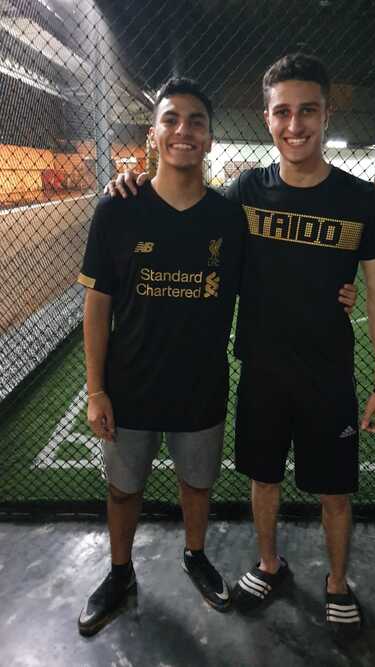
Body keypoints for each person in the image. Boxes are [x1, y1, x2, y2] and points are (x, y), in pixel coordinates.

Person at [107, 53, 375, 644]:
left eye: (307, 111)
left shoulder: (362, 200)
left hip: (328, 374)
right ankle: (268, 565)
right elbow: (188, 210)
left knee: (335, 492)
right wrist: (128, 181)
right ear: (266, 118)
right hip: (261, 370)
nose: (295, 125)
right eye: (283, 112)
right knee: (263, 479)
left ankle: (338, 584)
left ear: (326, 113)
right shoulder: (244, 192)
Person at [76, 77, 248, 636]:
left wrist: (337, 292)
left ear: (210, 138)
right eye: (171, 119)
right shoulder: (117, 209)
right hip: (130, 385)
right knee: (123, 487)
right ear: (153, 134)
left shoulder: (228, 219)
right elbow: (97, 305)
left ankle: (195, 556)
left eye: (196, 121)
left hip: (200, 384)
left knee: (197, 483)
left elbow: (269, 285)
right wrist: (96, 389)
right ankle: (120, 573)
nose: (183, 130)